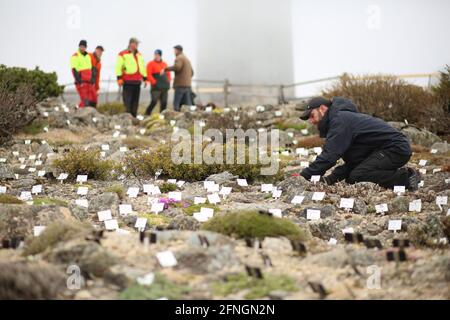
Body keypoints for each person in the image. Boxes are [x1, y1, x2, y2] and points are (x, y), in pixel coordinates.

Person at [296, 96, 422, 190]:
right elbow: (356, 160)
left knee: (359, 175)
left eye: (312, 116)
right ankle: (401, 175)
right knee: (353, 176)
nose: (311, 121)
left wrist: (302, 177)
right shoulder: (340, 119)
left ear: (322, 109)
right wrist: (331, 179)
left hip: (395, 148)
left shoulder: (340, 121)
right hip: (384, 150)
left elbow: (329, 156)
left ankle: (408, 177)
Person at [115, 38, 147, 117]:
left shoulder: (139, 55)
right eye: (135, 43)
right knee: (127, 101)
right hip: (127, 81)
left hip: (137, 81)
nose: (137, 45)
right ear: (131, 44)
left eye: (137, 44)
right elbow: (118, 67)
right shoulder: (122, 54)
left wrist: (145, 78)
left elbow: (142, 67)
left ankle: (134, 118)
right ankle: (127, 118)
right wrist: (119, 78)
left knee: (135, 102)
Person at [163, 45, 194, 111]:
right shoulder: (187, 59)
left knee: (176, 103)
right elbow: (192, 72)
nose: (174, 52)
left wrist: (165, 69)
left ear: (177, 50)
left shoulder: (179, 58)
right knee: (188, 104)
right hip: (187, 85)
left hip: (180, 85)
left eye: (174, 50)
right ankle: (190, 117)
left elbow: (177, 67)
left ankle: (176, 116)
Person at [145, 49, 171, 115]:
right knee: (154, 101)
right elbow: (148, 74)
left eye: (158, 55)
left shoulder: (164, 64)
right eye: (155, 54)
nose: (156, 56)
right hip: (155, 87)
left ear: (160, 55)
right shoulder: (150, 64)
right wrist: (154, 82)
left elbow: (168, 74)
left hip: (164, 87)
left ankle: (162, 116)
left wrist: (168, 81)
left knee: (164, 102)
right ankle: (147, 113)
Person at [70, 40, 96, 107]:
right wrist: (79, 81)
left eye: (84, 46)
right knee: (85, 100)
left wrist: (93, 79)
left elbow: (92, 68)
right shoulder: (75, 56)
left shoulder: (88, 56)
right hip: (81, 81)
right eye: (81, 46)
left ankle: (83, 113)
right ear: (79, 46)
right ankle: (79, 113)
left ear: (86, 47)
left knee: (92, 100)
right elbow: (74, 69)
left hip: (89, 82)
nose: (82, 48)